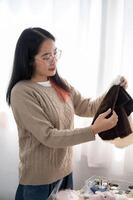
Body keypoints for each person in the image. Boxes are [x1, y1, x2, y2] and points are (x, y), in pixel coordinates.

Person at [6, 27, 128, 200]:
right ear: (29, 60)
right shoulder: (22, 92)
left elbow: (88, 106)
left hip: (65, 174)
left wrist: (114, 89)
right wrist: (93, 130)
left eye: (55, 53)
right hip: (39, 182)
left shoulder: (59, 83)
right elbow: (49, 137)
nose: (53, 60)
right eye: (46, 57)